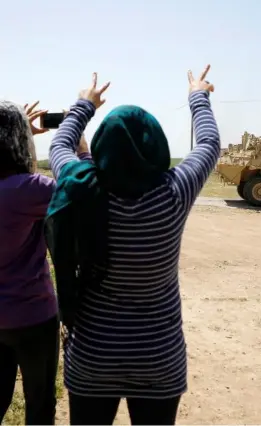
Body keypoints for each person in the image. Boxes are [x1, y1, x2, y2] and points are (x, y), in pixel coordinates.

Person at [46, 65, 220, 425]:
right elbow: (209, 145)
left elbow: (59, 144)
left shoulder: (81, 186)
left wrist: (84, 104)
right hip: (159, 358)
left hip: (93, 355)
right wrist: (197, 95)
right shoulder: (174, 193)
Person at [0, 101, 92, 424]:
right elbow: (81, 190)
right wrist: (81, 147)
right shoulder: (29, 190)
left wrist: (18, 136)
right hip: (33, 316)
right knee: (40, 405)